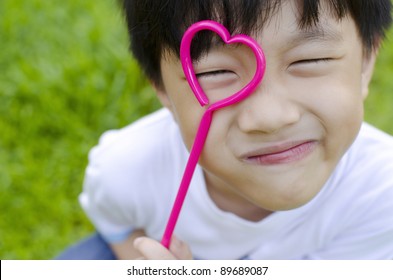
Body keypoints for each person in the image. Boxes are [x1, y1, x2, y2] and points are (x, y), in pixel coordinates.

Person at [57, 0, 393, 260]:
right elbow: (117, 226)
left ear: (366, 60)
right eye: (215, 72)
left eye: (310, 60)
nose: (270, 117)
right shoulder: (126, 169)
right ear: (162, 90)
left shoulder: (380, 190)